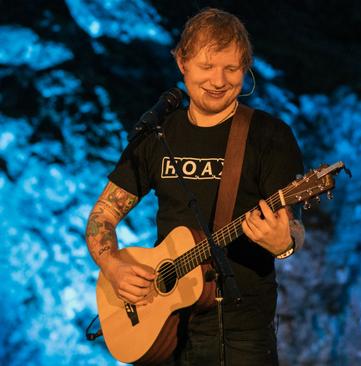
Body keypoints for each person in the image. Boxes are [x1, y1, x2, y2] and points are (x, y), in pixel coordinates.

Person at [85, 7, 304, 365]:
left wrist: (285, 245)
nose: (219, 81)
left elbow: (292, 226)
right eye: (206, 67)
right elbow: (102, 215)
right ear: (182, 62)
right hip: (164, 322)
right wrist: (113, 266)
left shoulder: (269, 135)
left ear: (246, 68)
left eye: (232, 69)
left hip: (241, 332)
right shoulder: (157, 133)